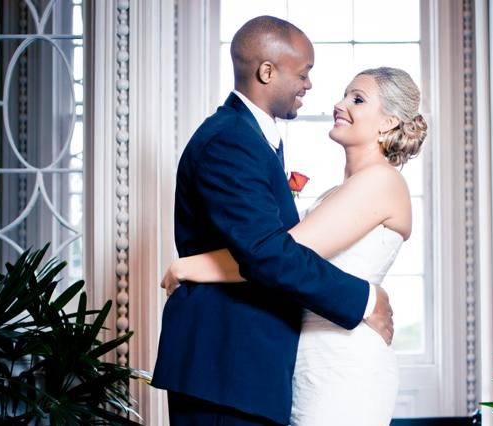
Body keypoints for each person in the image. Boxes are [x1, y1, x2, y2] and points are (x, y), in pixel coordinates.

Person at [150, 16, 395, 426]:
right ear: (267, 72)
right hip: (225, 365)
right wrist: (365, 300)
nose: (310, 85)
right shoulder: (230, 139)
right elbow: (267, 253)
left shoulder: (251, 137)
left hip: (248, 370)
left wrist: (193, 264)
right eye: (304, 73)